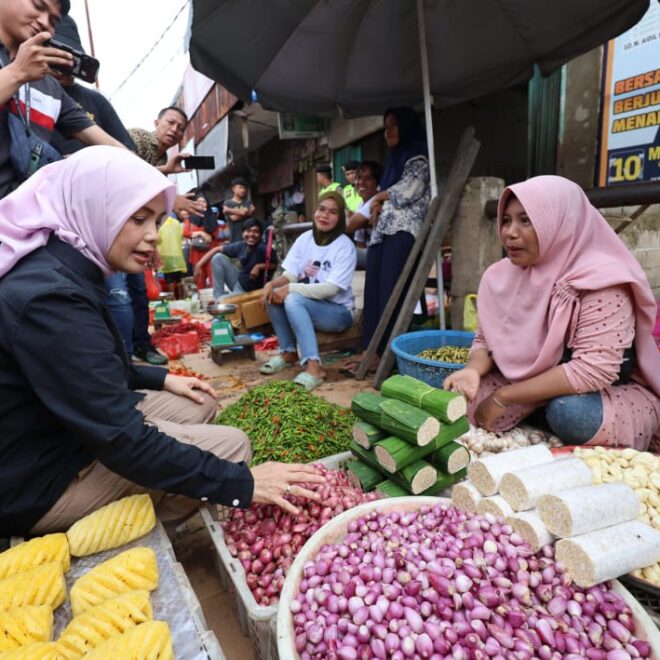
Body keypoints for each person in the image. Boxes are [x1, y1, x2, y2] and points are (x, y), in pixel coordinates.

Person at [0, 146, 324, 536]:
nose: (153, 236)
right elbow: (121, 439)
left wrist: (162, 379)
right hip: (39, 482)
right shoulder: (51, 300)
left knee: (198, 400)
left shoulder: (63, 266)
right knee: (234, 449)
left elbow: (84, 370)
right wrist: (246, 484)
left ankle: (159, 483)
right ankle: (124, 539)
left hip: (62, 434)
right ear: (93, 209)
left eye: (157, 220)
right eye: (138, 219)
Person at [443, 176, 660, 450]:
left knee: (570, 414)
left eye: (526, 220)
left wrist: (504, 396)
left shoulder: (602, 281)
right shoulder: (500, 276)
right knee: (456, 404)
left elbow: (593, 371)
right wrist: (472, 370)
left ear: (562, 222)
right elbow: (485, 341)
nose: (509, 232)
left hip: (600, 393)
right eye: (506, 220)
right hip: (528, 385)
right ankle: (536, 417)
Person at [0, 0, 126, 200]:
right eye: (38, 6)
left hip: (27, 220)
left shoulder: (50, 87)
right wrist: (17, 72)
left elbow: (106, 142)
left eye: (52, 20)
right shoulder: (23, 71)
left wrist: (154, 179)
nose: (43, 22)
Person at [343, 108, 430, 376]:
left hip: (403, 233)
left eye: (393, 126)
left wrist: (380, 198)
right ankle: (371, 349)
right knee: (374, 291)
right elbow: (385, 196)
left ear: (406, 127)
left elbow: (407, 192)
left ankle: (385, 354)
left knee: (391, 292)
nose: (388, 132)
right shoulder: (395, 161)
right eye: (385, 127)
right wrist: (379, 201)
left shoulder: (420, 158)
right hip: (382, 233)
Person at [259, 192, 357, 391]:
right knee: (274, 294)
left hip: (338, 312)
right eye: (321, 209)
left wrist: (290, 289)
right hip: (311, 306)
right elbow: (291, 274)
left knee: (293, 299)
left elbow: (330, 289)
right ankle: (288, 353)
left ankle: (314, 367)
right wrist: (273, 284)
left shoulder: (345, 247)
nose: (324, 216)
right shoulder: (305, 239)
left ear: (340, 218)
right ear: (314, 211)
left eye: (332, 212)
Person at [49, 16, 135, 155]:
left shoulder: (96, 100)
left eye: (67, 59)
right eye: (55, 58)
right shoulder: (28, 91)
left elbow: (128, 154)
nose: (60, 68)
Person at [194, 219, 278, 301]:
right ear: (243, 233)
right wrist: (199, 265)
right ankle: (218, 296)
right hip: (239, 281)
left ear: (260, 235)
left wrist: (259, 267)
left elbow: (275, 265)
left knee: (222, 302)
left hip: (247, 290)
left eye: (256, 231)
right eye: (248, 231)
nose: (251, 234)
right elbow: (217, 249)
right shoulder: (242, 245)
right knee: (218, 257)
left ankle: (221, 300)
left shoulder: (262, 248)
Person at [346, 160, 382, 269]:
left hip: (381, 256)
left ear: (377, 182)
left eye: (368, 179)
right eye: (359, 178)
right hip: (370, 255)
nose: (361, 182)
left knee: (340, 251)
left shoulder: (377, 200)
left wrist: (347, 216)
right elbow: (360, 242)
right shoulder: (362, 204)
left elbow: (349, 226)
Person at [223, 177, 255, 243]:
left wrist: (228, 210)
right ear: (233, 189)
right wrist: (248, 213)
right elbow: (234, 218)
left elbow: (244, 212)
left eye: (244, 188)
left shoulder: (247, 202)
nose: (243, 190)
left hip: (248, 237)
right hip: (234, 238)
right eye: (240, 187)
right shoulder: (228, 203)